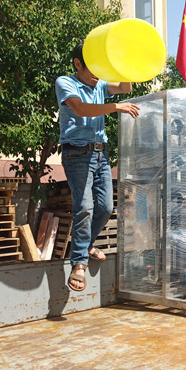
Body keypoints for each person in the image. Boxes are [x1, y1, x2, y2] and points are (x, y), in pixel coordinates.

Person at [55, 41, 140, 292]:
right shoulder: (66, 83)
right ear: (77, 64)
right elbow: (80, 109)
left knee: (105, 207)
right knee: (84, 207)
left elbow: (124, 87)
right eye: (93, 67)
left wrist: (123, 63)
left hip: (101, 154)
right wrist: (115, 107)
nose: (98, 73)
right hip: (77, 154)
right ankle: (79, 263)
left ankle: (86, 244)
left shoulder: (100, 84)